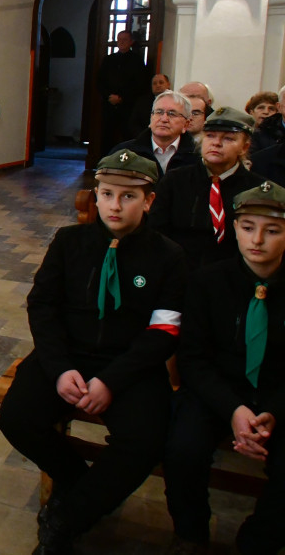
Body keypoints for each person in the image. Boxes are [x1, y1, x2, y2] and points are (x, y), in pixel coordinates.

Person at [0, 150, 187, 555]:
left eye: (128, 197)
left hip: (130, 365)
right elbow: (42, 305)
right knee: (15, 417)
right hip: (68, 355)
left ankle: (67, 518)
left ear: (149, 201)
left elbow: (164, 330)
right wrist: (60, 368)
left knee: (144, 442)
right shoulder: (69, 242)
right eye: (106, 194)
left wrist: (112, 381)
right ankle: (77, 482)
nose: (114, 206)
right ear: (95, 195)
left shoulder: (169, 256)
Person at [163, 180, 285, 555]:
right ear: (233, 228)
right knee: (183, 447)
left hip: (277, 394)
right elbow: (194, 358)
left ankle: (258, 539)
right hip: (218, 392)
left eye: (273, 230)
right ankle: (191, 532)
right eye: (247, 228)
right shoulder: (208, 281)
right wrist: (234, 410)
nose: (257, 240)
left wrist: (273, 412)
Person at [149, 107, 264, 268]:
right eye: (210, 136)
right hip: (178, 270)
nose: (216, 143)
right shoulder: (175, 180)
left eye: (228, 139)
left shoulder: (256, 189)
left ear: (244, 147)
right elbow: (156, 231)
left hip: (231, 275)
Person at [109, 90, 200, 178]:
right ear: (151, 118)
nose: (164, 119)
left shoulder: (197, 156)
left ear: (186, 124)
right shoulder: (125, 152)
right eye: (159, 112)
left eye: (172, 114)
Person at [96, 30, 150, 154]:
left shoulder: (137, 61)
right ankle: (105, 163)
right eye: (119, 39)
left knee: (128, 136)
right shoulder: (108, 60)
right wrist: (109, 96)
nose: (121, 42)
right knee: (107, 136)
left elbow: (140, 84)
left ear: (131, 42)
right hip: (109, 105)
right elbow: (100, 81)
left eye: (125, 39)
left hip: (128, 106)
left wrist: (122, 98)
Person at [127, 73, 172, 141]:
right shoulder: (142, 102)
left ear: (168, 84)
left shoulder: (176, 102)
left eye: (161, 82)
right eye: (154, 83)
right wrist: (143, 138)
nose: (158, 85)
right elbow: (134, 123)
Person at [252, 85, 285, 154]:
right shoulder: (261, 134)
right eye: (261, 108)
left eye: (271, 108)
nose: (266, 112)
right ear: (279, 107)